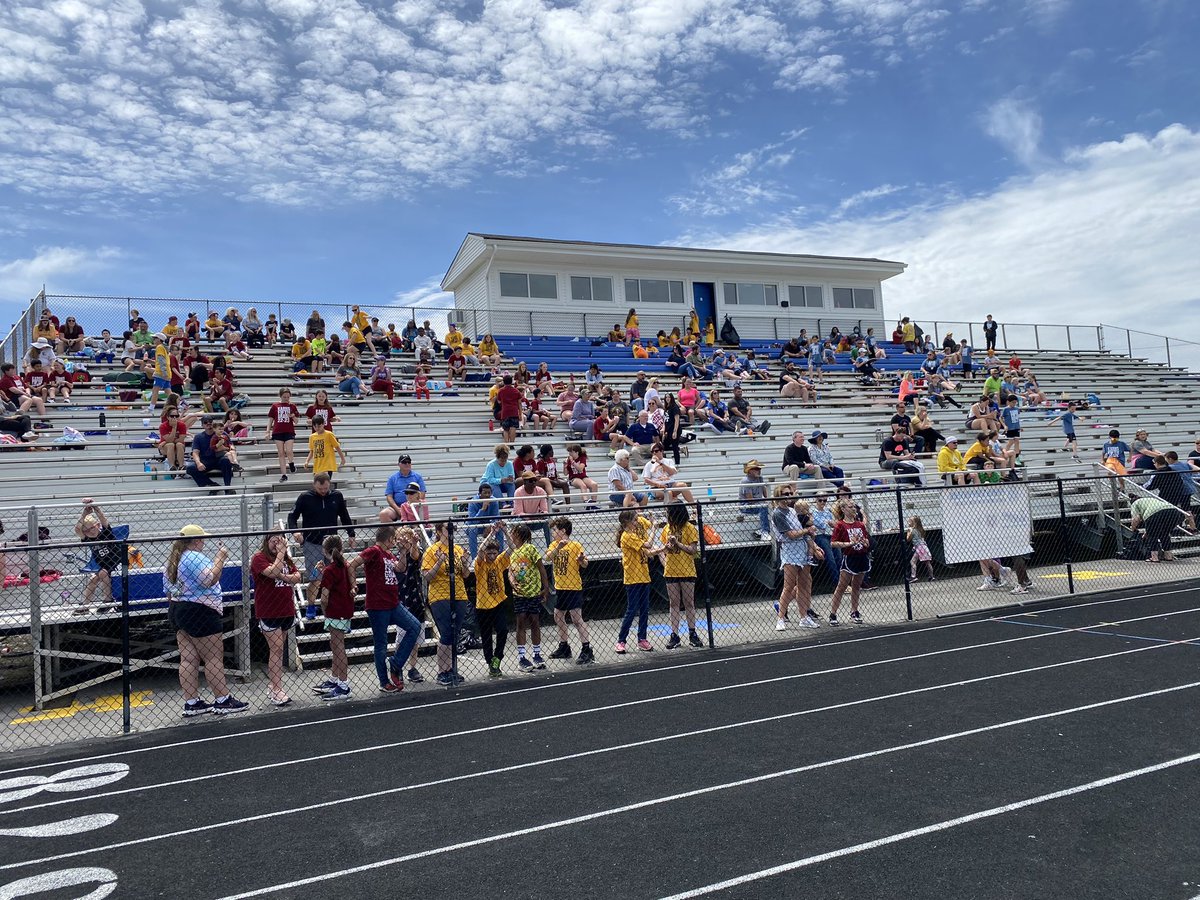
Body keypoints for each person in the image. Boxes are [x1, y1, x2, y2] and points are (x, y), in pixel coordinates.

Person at [165, 525, 247, 716]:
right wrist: (221, 558)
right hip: (201, 609)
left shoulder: (173, 560)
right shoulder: (194, 557)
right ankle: (222, 699)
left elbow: (169, 591)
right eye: (201, 539)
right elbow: (208, 579)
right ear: (195, 541)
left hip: (178, 608)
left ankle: (191, 702)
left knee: (188, 658)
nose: (203, 542)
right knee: (213, 657)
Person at [350, 526, 424, 692]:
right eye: (393, 539)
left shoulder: (389, 554)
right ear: (389, 539)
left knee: (415, 626)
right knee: (381, 644)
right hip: (378, 605)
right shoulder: (374, 551)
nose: (394, 542)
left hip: (393, 603)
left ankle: (396, 663)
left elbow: (400, 568)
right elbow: (352, 564)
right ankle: (384, 681)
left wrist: (404, 551)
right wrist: (353, 585)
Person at [287, 473, 355, 611]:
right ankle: (311, 605)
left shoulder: (337, 496)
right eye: (320, 489)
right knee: (316, 577)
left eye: (325, 488)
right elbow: (292, 516)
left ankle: (334, 605)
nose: (323, 491)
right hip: (313, 542)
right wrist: (295, 532)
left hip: (332, 543)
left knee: (336, 576)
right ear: (314, 485)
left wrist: (351, 533)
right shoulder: (305, 497)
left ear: (329, 484)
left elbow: (344, 515)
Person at [250, 532, 303, 707]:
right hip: (269, 611)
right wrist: (280, 555)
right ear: (267, 541)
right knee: (277, 648)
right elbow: (271, 573)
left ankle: (273, 684)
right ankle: (277, 690)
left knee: (279, 649)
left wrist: (284, 576)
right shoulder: (259, 558)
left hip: (286, 609)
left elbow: (297, 577)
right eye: (274, 540)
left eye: (280, 540)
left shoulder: (286, 558)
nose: (277, 544)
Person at [421, 521, 471, 685]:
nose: (450, 532)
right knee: (446, 633)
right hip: (440, 595)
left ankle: (451, 669)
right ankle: (442, 670)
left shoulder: (457, 549)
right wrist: (439, 562)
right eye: (447, 529)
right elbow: (427, 576)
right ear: (438, 532)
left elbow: (465, 575)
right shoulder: (432, 550)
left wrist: (464, 562)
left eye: (452, 529)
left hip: (459, 594)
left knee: (455, 633)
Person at [544, 517, 594, 663]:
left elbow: (585, 564)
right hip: (561, 587)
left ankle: (586, 649)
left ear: (563, 531)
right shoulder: (554, 545)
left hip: (573, 587)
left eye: (555, 530)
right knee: (558, 616)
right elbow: (547, 558)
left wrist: (581, 560)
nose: (553, 533)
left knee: (576, 618)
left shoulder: (575, 545)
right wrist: (558, 548)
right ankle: (564, 646)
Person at [772, 486, 821, 630]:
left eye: (789, 493)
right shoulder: (778, 514)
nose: (788, 496)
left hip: (803, 548)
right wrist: (807, 530)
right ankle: (780, 617)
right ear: (778, 496)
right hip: (790, 549)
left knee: (804, 584)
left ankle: (804, 616)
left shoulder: (793, 511)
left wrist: (815, 546)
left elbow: (803, 531)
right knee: (788, 585)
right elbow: (791, 534)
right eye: (785, 494)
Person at [312, 534, 354, 700]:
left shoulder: (331, 570)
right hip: (344, 610)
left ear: (325, 550)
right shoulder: (344, 565)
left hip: (335, 611)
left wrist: (324, 611)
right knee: (336, 643)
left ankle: (343, 685)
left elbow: (324, 597)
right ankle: (336, 679)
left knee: (338, 646)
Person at [505, 522, 549, 672]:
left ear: (518, 535)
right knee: (521, 622)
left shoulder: (530, 548)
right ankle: (522, 657)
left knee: (534, 622)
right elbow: (510, 571)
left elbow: (541, 568)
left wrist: (546, 587)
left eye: (513, 533)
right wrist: (511, 581)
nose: (511, 535)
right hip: (519, 593)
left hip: (533, 592)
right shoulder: (513, 553)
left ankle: (537, 654)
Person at [660, 503, 704, 648]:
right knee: (674, 603)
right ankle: (674, 634)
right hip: (671, 570)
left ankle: (692, 632)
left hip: (686, 570)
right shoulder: (667, 528)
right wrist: (665, 559)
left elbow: (693, 550)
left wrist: (678, 544)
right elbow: (662, 549)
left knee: (689, 602)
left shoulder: (689, 528)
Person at [615, 509, 656, 653]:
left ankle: (642, 639)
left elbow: (647, 551)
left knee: (644, 609)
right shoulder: (627, 536)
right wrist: (655, 528)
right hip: (633, 578)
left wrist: (662, 548)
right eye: (634, 520)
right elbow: (648, 545)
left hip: (644, 575)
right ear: (627, 522)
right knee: (632, 610)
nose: (636, 522)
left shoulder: (633, 534)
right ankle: (621, 640)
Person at [473, 532, 510, 677]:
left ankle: (497, 657)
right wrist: (492, 532)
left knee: (503, 630)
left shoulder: (499, 562)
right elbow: (480, 550)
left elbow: (511, 549)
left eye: (494, 553)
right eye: (490, 553)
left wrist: (505, 531)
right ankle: (490, 663)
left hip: (498, 602)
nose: (492, 556)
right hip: (483, 605)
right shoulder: (480, 563)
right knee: (486, 635)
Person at [74, 500, 122, 613]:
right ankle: (85, 606)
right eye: (85, 530)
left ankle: (108, 600)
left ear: (97, 525)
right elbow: (77, 529)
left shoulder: (106, 532)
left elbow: (102, 518)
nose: (89, 532)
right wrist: (84, 514)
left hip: (116, 561)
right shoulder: (88, 539)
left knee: (103, 573)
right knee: (92, 579)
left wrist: (95, 507)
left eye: (91, 528)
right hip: (102, 565)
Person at [828, 503, 869, 626]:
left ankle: (854, 611)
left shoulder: (860, 525)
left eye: (854, 507)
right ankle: (833, 613)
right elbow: (833, 543)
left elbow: (866, 539)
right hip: (850, 557)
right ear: (843, 509)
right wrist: (849, 544)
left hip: (861, 556)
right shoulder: (840, 525)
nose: (853, 509)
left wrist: (865, 542)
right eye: (850, 507)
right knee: (842, 586)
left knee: (857, 585)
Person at [1129, 494, 1186, 563]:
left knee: (1152, 536)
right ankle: (1168, 556)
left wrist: (1133, 528)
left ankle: (1154, 558)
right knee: (1164, 534)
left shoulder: (1134, 504)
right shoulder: (1149, 499)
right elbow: (1153, 526)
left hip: (1154, 514)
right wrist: (1148, 531)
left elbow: (1136, 518)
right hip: (1173, 512)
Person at [187, 416, 234, 491]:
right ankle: (212, 485)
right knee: (190, 468)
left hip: (219, 458)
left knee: (226, 461)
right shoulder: (198, 437)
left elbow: (230, 446)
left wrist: (229, 451)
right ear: (202, 425)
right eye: (205, 422)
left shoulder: (223, 434)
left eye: (210, 421)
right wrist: (198, 463)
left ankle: (228, 487)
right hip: (205, 460)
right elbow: (195, 452)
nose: (208, 423)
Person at [381, 454, 429, 522]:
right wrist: (398, 509)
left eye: (409, 462)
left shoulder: (418, 477)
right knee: (384, 514)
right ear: (399, 464)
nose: (407, 464)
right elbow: (389, 497)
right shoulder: (392, 478)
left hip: (414, 506)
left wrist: (410, 506)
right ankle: (398, 532)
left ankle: (411, 531)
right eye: (404, 462)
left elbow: (422, 494)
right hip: (397, 507)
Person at [266, 387, 300, 482]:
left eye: (288, 397)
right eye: (284, 397)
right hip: (277, 431)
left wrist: (293, 416)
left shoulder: (292, 406)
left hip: (289, 431)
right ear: (280, 396)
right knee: (281, 453)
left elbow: (297, 421)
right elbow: (270, 420)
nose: (286, 398)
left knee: (289, 451)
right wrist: (267, 431)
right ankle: (284, 474)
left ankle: (291, 463)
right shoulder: (275, 406)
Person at [511, 471, 552, 544]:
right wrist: (533, 516)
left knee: (547, 520)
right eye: (531, 481)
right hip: (521, 519)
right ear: (524, 482)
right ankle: (521, 548)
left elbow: (545, 510)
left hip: (535, 519)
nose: (533, 482)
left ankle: (551, 547)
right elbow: (519, 512)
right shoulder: (518, 492)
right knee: (518, 522)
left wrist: (542, 514)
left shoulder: (541, 491)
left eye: (535, 480)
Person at [879, 422, 925, 487]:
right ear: (896, 433)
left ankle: (916, 480)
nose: (902, 438)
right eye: (901, 436)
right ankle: (900, 482)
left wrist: (910, 456)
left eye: (903, 436)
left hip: (898, 460)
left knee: (913, 463)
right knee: (895, 462)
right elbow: (888, 457)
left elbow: (906, 453)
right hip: (885, 461)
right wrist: (904, 457)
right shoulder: (888, 441)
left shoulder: (903, 441)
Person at [810, 493, 841, 586]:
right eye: (820, 500)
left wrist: (828, 523)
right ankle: (837, 583)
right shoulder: (813, 512)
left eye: (825, 500)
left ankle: (843, 582)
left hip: (830, 535)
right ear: (816, 500)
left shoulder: (828, 511)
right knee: (830, 558)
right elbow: (819, 524)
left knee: (839, 557)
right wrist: (828, 522)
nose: (822, 502)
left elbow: (834, 524)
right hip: (820, 536)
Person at [740, 460, 771, 539]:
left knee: (770, 506)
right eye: (756, 469)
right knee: (763, 507)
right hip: (746, 506)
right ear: (750, 471)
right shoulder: (745, 481)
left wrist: (769, 501)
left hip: (758, 503)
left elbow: (765, 493)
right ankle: (764, 531)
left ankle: (763, 530)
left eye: (759, 469)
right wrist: (763, 502)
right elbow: (750, 500)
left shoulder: (760, 478)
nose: (759, 471)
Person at [565, 444, 600, 508]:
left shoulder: (582, 458)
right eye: (569, 452)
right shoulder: (568, 460)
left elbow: (580, 469)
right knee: (583, 485)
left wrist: (573, 462)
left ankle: (593, 504)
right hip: (573, 478)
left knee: (594, 484)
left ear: (576, 452)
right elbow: (565, 473)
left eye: (571, 452)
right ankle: (586, 503)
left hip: (582, 476)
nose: (570, 454)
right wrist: (564, 466)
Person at [157, 408, 189, 472]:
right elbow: (169, 440)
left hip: (177, 447)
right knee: (170, 445)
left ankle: (181, 466)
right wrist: (174, 428)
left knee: (179, 444)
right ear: (168, 417)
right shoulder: (163, 426)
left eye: (176, 416)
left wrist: (165, 442)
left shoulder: (182, 425)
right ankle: (172, 466)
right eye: (172, 416)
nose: (174, 418)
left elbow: (181, 439)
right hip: (165, 448)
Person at [495, 374, 523, 443]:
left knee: (505, 429)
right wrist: (520, 413)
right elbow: (519, 403)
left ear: (504, 382)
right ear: (512, 382)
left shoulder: (501, 391)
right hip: (514, 411)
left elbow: (498, 401)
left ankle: (506, 443)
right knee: (513, 427)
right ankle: (512, 443)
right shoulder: (516, 391)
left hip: (505, 412)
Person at [907, 516, 935, 582]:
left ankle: (913, 576)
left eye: (910, 521)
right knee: (927, 562)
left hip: (918, 547)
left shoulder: (911, 530)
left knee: (912, 562)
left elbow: (908, 539)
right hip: (924, 547)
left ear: (914, 522)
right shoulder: (921, 529)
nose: (908, 522)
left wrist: (909, 532)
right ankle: (932, 576)